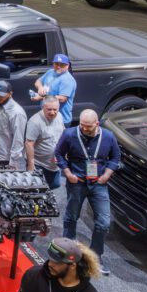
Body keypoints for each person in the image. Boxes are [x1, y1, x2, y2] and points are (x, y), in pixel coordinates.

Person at [55, 109, 120, 271]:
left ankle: (95, 257)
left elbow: (115, 158)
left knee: (104, 223)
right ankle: (67, 252)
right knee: (71, 217)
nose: (84, 129)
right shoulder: (70, 134)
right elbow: (59, 154)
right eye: (82, 125)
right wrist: (68, 173)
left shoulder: (108, 137)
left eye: (88, 127)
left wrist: (107, 174)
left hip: (99, 183)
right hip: (77, 182)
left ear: (97, 124)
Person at [16, 237, 104, 292]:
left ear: (72, 265)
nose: (50, 264)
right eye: (50, 259)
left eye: (57, 262)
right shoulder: (33, 276)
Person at [26, 96, 65, 189]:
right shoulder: (35, 122)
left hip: (54, 162)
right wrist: (31, 166)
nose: (52, 112)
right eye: (49, 109)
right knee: (37, 189)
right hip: (39, 163)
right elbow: (29, 144)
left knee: (56, 184)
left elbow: (63, 131)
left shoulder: (59, 116)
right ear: (43, 107)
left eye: (55, 109)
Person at [34, 53, 77, 125]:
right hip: (47, 116)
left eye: (62, 64)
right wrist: (40, 87)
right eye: (56, 64)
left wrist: (42, 97)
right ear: (53, 64)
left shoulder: (67, 79)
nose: (58, 66)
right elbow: (38, 82)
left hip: (61, 120)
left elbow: (63, 98)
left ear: (67, 66)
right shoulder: (50, 72)